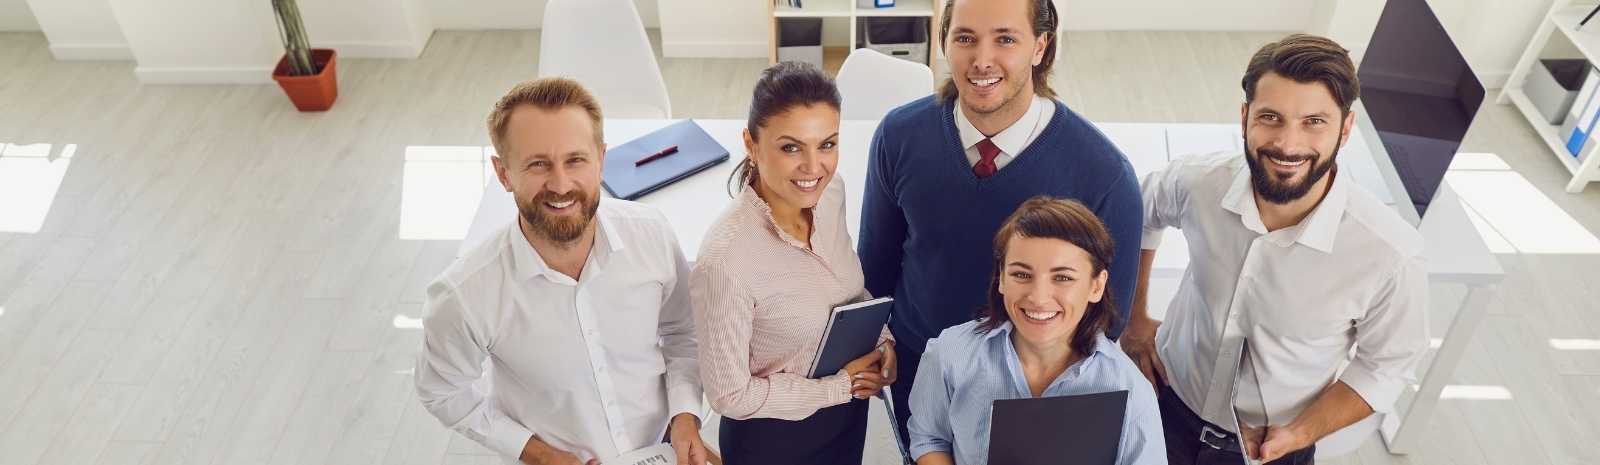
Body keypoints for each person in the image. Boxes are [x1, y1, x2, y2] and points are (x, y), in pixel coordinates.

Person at [1121, 34, 1430, 465]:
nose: (1288, 144)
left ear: (1346, 128)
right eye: (1271, 117)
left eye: (1313, 122)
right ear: (1245, 117)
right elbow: (1137, 216)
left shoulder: (1390, 254)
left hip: (1272, 448)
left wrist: (1301, 432)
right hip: (1160, 405)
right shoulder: (1198, 183)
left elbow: (1386, 366)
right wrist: (1133, 321)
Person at [858, 0, 1144, 447]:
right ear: (944, 43)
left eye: (1005, 39)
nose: (982, 60)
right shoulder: (898, 136)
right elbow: (875, 267)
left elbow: (1107, 319)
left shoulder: (1103, 174)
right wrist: (880, 342)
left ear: (1040, 46)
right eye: (966, 38)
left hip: (1032, 398)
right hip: (915, 372)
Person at [414, 78, 712, 465]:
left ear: (601, 158)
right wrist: (536, 453)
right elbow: (442, 391)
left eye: (575, 160)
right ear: (503, 174)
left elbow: (682, 331)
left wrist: (685, 415)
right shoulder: (464, 295)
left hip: (665, 447)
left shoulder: (651, 233)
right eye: (538, 164)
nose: (560, 184)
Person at [691, 61, 896, 465]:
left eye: (827, 144)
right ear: (751, 144)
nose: (813, 167)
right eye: (790, 147)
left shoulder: (830, 193)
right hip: (775, 442)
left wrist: (882, 340)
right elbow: (730, 395)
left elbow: (845, 289)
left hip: (848, 415)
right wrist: (839, 387)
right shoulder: (725, 262)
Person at [908, 197, 1165, 465]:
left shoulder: (1130, 389)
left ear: (1096, 287)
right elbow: (929, 438)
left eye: (1063, 278)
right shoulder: (950, 353)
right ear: (1002, 278)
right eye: (1021, 274)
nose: (1039, 298)